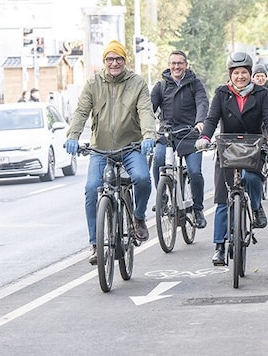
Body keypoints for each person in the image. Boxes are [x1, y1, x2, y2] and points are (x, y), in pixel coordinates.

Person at [64, 40, 156, 265]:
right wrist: (73, 136)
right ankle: (95, 244)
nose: (114, 63)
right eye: (110, 59)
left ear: (125, 61)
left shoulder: (137, 83)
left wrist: (149, 136)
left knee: (143, 179)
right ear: (104, 62)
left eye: (119, 59)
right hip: (100, 149)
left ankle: (139, 217)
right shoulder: (93, 83)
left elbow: (145, 111)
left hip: (131, 147)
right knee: (90, 189)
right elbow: (81, 111)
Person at [195, 52, 268, 266]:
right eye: (236, 73)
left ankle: (256, 207)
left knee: (252, 180)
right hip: (227, 148)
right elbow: (212, 118)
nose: (240, 76)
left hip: (253, 147)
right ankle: (220, 247)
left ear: (250, 74)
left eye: (244, 72)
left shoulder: (260, 94)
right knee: (222, 198)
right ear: (230, 74)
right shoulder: (222, 93)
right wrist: (205, 137)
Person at [150, 50, 209, 229]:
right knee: (158, 162)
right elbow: (148, 108)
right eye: (173, 63)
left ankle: (198, 209)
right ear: (169, 65)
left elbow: (202, 102)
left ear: (186, 65)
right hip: (167, 134)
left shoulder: (195, 84)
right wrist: (143, 127)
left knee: (195, 171)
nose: (176, 66)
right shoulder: (161, 86)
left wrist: (200, 121)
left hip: (190, 133)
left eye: (180, 63)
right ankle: (163, 198)